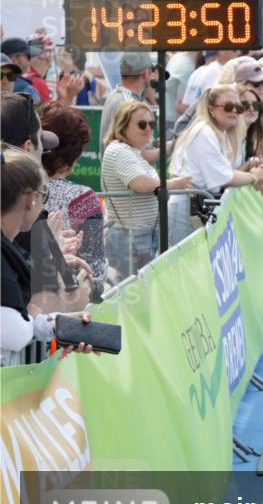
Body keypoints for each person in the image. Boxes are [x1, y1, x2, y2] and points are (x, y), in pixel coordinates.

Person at [2, 145, 95, 366]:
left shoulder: (9, 250)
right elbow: (15, 335)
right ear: (30, 199)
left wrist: (59, 325)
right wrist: (41, 300)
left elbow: (19, 320)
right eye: (44, 194)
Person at [102, 102, 193, 281]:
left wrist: (177, 142)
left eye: (152, 124)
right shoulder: (120, 151)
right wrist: (174, 183)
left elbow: (151, 156)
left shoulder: (130, 150)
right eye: (142, 124)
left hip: (138, 234)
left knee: (139, 289)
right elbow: (140, 184)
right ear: (123, 126)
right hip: (131, 235)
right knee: (132, 292)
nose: (149, 129)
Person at [39, 102, 107, 282]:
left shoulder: (12, 184)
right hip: (67, 296)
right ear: (74, 151)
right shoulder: (83, 198)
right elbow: (96, 270)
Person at [99, 52, 155, 160]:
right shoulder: (130, 105)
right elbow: (143, 157)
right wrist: (171, 146)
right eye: (152, 69)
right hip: (128, 175)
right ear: (145, 73)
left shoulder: (114, 95)